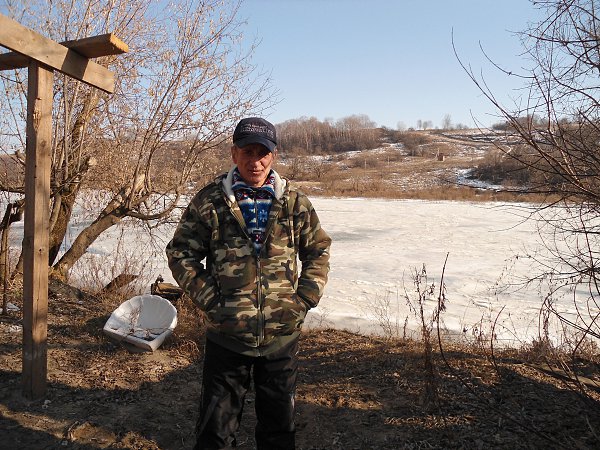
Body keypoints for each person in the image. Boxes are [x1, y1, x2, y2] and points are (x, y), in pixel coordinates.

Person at [166, 117, 331, 450]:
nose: (255, 162)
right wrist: (213, 302)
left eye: (262, 153)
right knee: (215, 432)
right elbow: (181, 253)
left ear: (273, 156)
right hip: (227, 337)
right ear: (234, 153)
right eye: (247, 152)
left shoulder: (294, 202)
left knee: (279, 431)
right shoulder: (211, 201)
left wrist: (302, 302)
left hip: (281, 336)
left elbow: (318, 251)